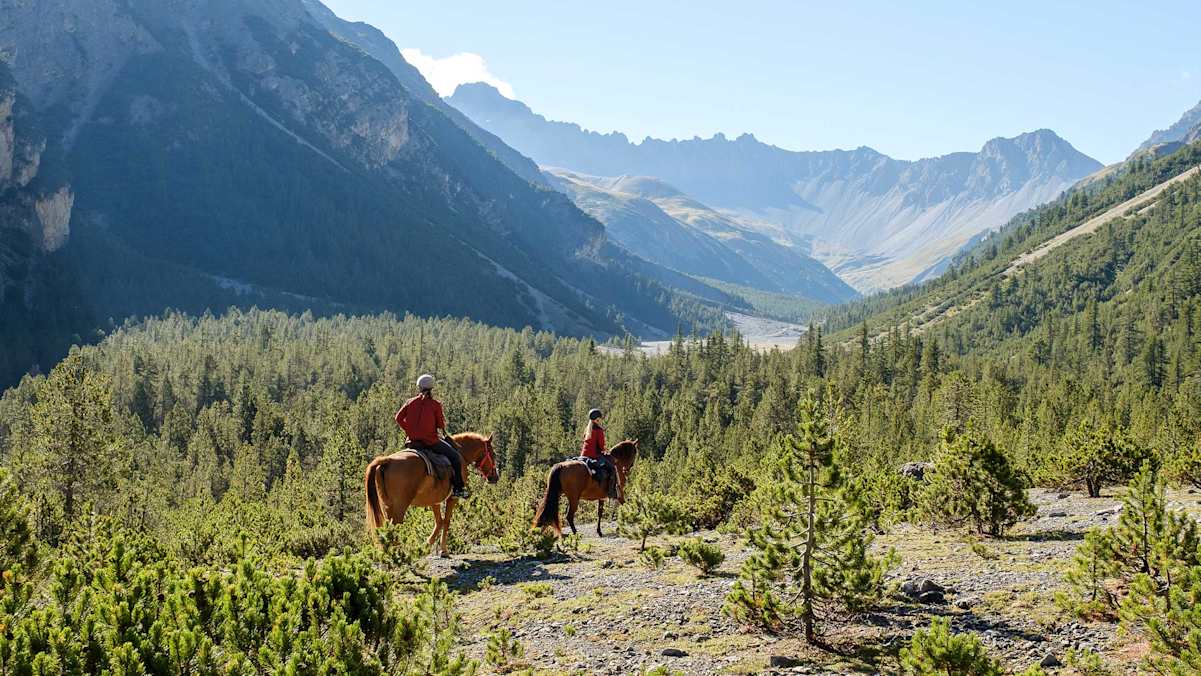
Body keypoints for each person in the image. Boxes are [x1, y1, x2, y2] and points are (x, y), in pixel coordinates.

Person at [395, 374, 470, 498]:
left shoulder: (410, 402)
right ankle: (458, 489)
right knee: (455, 457)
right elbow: (441, 424)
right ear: (431, 388)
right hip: (431, 442)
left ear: (419, 387)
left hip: (412, 442)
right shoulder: (435, 405)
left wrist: (409, 430)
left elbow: (398, 418)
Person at [581, 408, 618, 499]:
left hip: (583, 455)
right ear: (597, 419)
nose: (601, 420)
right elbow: (601, 446)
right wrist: (605, 450)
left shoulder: (587, 429)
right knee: (612, 469)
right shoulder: (598, 430)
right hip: (594, 456)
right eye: (600, 418)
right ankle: (611, 492)